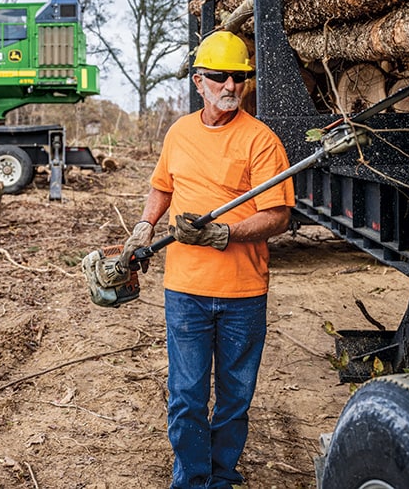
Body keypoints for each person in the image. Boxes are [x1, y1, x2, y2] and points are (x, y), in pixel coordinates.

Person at [121, 30, 295, 489]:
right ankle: (193, 479)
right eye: (220, 77)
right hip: (186, 291)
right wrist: (146, 225)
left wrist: (226, 233)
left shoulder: (261, 140)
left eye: (239, 78)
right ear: (198, 81)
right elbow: (162, 185)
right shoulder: (179, 132)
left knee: (235, 398)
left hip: (243, 293)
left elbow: (278, 215)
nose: (231, 86)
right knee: (186, 397)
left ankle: (221, 476)